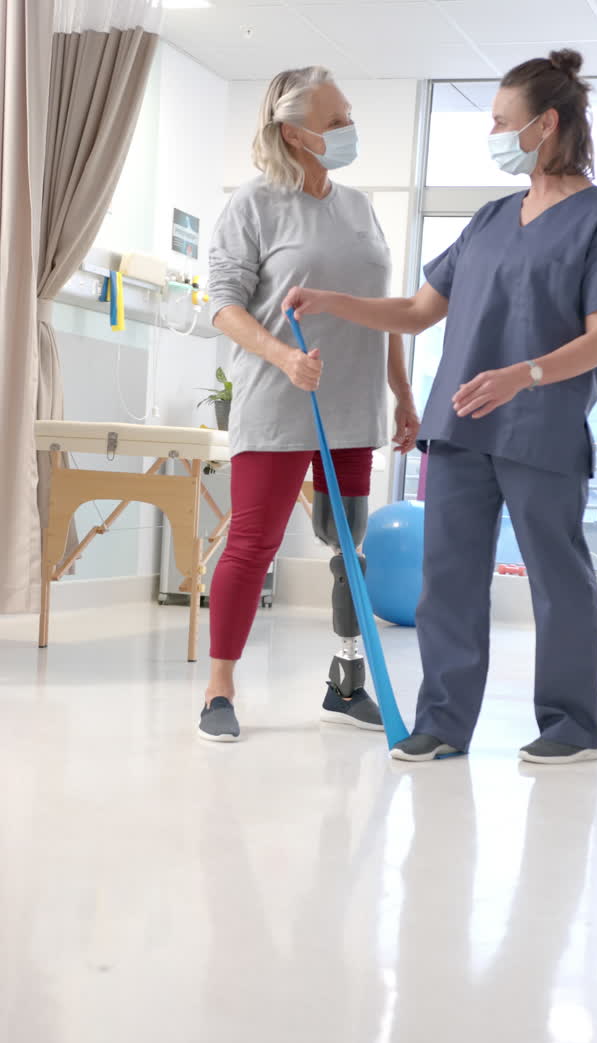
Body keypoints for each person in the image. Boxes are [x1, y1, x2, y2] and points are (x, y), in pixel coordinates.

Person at [285, 49, 597, 764]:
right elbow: (418, 312)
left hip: (541, 431)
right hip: (458, 428)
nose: (491, 132)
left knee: (559, 583)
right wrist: (332, 301)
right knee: (447, 581)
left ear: (545, 125)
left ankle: (570, 726)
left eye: (500, 121)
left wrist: (525, 374)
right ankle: (444, 722)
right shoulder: (490, 220)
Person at [199, 66, 419, 743]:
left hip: (352, 407)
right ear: (295, 133)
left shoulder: (359, 207)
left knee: (349, 549)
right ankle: (218, 690)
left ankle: (345, 682)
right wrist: (284, 357)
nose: (349, 129)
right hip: (277, 403)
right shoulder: (254, 205)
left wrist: (403, 394)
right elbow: (224, 307)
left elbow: (381, 312)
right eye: (337, 120)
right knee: (252, 545)